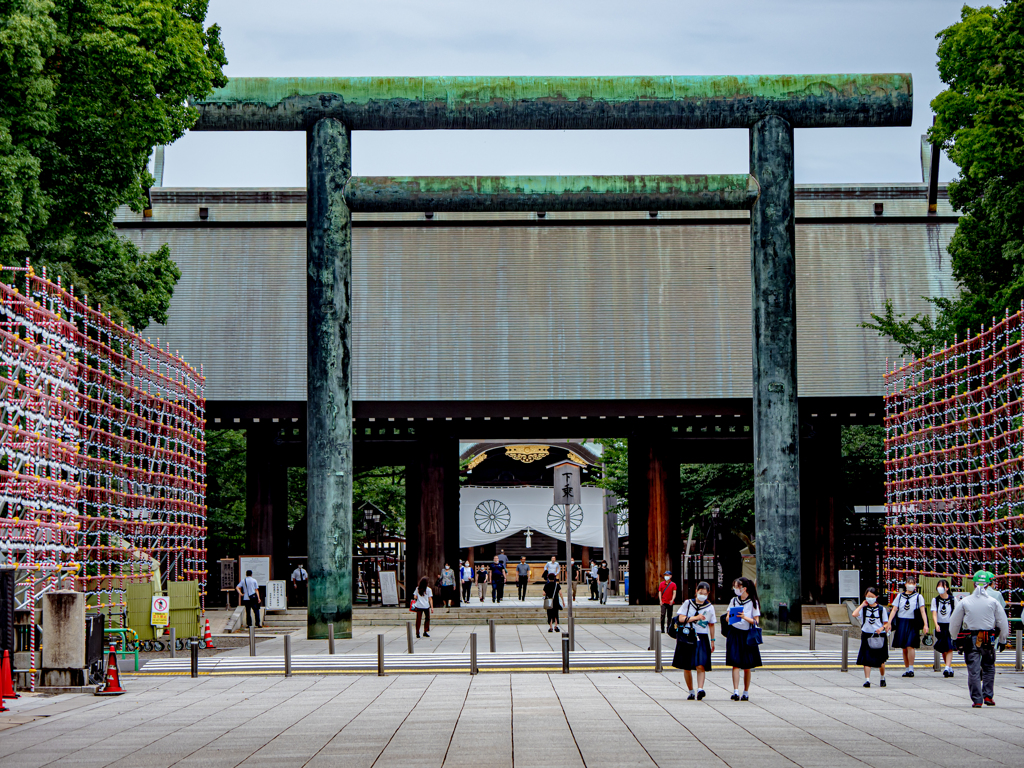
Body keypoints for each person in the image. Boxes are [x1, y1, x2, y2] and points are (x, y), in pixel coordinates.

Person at [949, 569, 1010, 707]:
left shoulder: (965, 601)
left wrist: (953, 637)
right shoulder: (993, 602)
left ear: (973, 584)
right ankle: (988, 696)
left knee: (973, 669)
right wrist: (1003, 640)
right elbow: (1002, 621)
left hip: (970, 638)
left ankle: (977, 699)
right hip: (988, 638)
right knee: (989, 667)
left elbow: (955, 621)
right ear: (988, 584)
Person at [672, 581, 716, 700]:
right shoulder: (688, 603)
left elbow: (711, 624)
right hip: (688, 635)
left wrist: (712, 640)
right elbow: (680, 618)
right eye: (700, 592)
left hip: (701, 636)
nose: (702, 595)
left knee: (700, 664)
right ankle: (691, 690)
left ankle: (700, 689)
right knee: (687, 665)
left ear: (708, 594)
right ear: (696, 591)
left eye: (705, 593)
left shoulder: (710, 607)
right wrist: (695, 618)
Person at [725, 576, 761, 700]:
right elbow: (727, 617)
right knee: (735, 663)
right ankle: (735, 691)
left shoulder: (753, 602)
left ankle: (746, 691)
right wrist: (731, 617)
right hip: (734, 632)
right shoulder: (734, 600)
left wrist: (745, 617)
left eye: (737, 587)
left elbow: (756, 622)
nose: (735, 589)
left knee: (746, 665)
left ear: (744, 588)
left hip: (747, 634)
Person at [887, 575, 928, 677]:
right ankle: (906, 668)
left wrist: (925, 624)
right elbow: (894, 609)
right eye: (908, 583)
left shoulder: (919, 597)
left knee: (910, 645)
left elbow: (922, 611)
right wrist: (888, 622)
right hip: (902, 622)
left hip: (913, 623)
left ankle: (911, 668)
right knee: (904, 647)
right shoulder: (900, 596)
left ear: (915, 585)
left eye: (912, 583)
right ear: (905, 584)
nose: (910, 585)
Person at [852, 586, 889, 687]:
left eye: (872, 596)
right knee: (866, 658)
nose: (870, 598)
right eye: (868, 596)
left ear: (876, 597)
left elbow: (886, 623)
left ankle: (882, 677)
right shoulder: (863, 609)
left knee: (880, 659)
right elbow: (854, 614)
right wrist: (862, 605)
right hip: (866, 635)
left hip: (879, 636)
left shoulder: (881, 609)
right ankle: (867, 680)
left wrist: (881, 628)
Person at [931, 579, 957, 677]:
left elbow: (957, 613)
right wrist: (936, 624)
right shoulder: (935, 600)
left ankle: (946, 667)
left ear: (947, 588)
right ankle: (949, 667)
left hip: (950, 625)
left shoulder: (953, 600)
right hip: (940, 626)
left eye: (943, 586)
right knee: (944, 648)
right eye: (939, 586)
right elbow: (934, 613)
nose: (940, 588)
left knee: (950, 646)